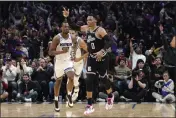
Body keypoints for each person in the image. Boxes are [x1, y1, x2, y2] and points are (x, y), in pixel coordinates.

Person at [63, 8, 114, 115]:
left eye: (90, 19)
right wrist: (67, 17)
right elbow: (74, 27)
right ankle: (90, 105)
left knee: (104, 79)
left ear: (95, 21)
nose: (88, 21)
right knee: (88, 79)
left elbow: (109, 41)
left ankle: (110, 96)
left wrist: (102, 51)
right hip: (91, 57)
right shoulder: (86, 28)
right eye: (87, 19)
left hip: (102, 57)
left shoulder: (100, 30)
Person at [49, 21, 75, 112]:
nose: (66, 28)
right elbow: (50, 52)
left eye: (68, 27)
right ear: (61, 28)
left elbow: (75, 46)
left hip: (68, 61)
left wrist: (73, 54)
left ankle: (69, 95)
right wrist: (62, 52)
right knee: (58, 81)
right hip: (59, 61)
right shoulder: (57, 38)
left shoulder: (72, 37)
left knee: (71, 76)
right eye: (65, 27)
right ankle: (56, 100)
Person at [69, 30, 88, 102]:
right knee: (70, 78)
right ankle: (70, 93)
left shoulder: (80, 41)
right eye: (70, 33)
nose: (71, 35)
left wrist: (79, 58)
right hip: (70, 62)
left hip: (79, 62)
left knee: (76, 79)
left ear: (76, 34)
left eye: (73, 33)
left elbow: (88, 52)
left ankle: (76, 91)